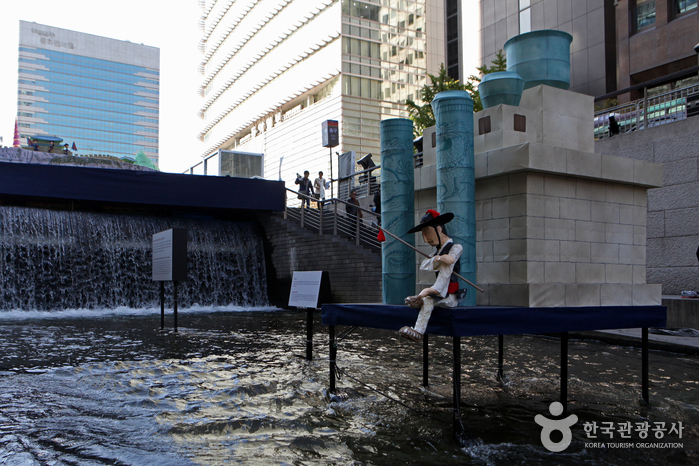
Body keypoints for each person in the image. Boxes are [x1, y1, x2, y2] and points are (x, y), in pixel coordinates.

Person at [399, 209, 463, 342]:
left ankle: (418, 331)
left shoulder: (456, 247)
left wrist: (428, 291)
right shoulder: (437, 254)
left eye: (427, 233)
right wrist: (436, 259)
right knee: (426, 298)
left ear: (439, 229)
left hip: (449, 296)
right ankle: (420, 305)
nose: (426, 239)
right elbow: (424, 265)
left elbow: (450, 261)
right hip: (439, 293)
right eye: (424, 235)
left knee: (427, 301)